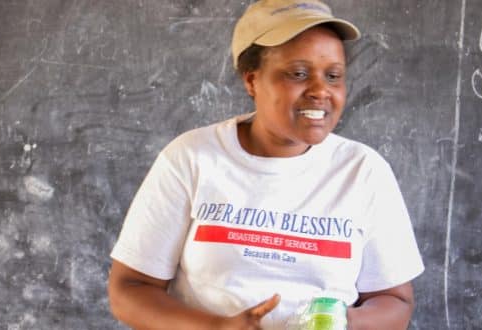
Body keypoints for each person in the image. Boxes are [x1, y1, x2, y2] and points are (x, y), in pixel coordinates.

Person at [108, 0, 424, 329]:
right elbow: (129, 290)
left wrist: (339, 323)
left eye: (333, 76)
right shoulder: (192, 158)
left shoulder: (363, 171)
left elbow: (395, 300)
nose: (320, 91)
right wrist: (216, 327)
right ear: (252, 80)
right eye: (298, 74)